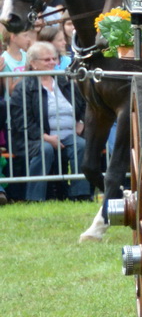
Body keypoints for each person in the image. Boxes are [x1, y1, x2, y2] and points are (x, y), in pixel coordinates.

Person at [3, 41, 89, 200]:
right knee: (45, 149)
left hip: (69, 134)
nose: (52, 63)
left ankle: (80, 194)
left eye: (54, 59)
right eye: (46, 60)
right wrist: (45, 137)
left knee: (82, 145)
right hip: (33, 138)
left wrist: (81, 122)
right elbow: (21, 121)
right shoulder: (24, 87)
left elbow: (83, 104)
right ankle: (35, 197)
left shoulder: (65, 81)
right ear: (33, 63)